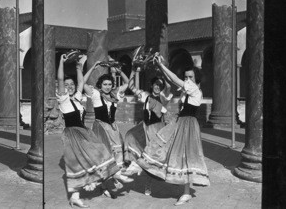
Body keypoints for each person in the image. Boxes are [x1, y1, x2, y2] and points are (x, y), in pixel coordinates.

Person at [137, 55, 210, 206]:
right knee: (166, 146)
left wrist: (162, 66)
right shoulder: (188, 90)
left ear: (197, 79)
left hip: (188, 125)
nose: (187, 79)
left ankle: (186, 192)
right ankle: (154, 170)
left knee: (185, 155)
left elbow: (174, 79)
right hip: (180, 122)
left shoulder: (195, 90)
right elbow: (173, 81)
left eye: (190, 76)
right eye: (186, 77)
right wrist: (160, 67)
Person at [57, 55, 120, 207]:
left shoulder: (77, 98)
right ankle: (78, 195)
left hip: (83, 132)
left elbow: (81, 82)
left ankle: (100, 185)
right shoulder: (63, 99)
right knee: (82, 162)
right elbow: (59, 79)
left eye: (71, 84)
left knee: (95, 156)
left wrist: (86, 66)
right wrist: (61, 61)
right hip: (72, 134)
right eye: (67, 85)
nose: (70, 86)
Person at [120, 70, 173, 196]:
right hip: (144, 127)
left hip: (157, 130)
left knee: (150, 159)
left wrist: (161, 69)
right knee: (130, 136)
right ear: (152, 85)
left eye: (160, 85)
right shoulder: (145, 95)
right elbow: (131, 86)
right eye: (155, 84)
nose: (157, 86)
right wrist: (132, 70)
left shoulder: (164, 97)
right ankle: (130, 164)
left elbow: (169, 86)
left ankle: (148, 184)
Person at [83, 61, 132, 186]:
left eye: (110, 84)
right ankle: (107, 182)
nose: (108, 86)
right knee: (104, 155)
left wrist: (119, 71)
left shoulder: (114, 95)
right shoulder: (95, 94)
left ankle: (116, 175)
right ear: (100, 85)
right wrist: (94, 66)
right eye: (105, 84)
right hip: (101, 127)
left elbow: (128, 83)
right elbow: (82, 82)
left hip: (113, 127)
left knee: (116, 152)